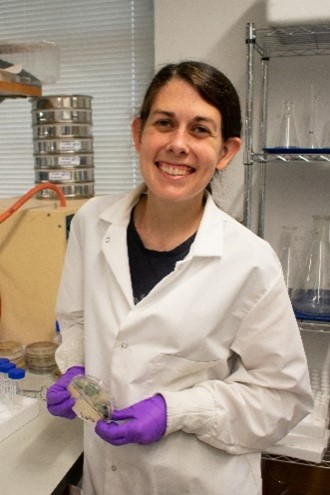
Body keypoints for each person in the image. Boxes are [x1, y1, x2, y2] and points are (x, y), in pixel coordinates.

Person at [47, 61, 313, 495]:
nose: (177, 144)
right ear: (139, 133)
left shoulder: (249, 261)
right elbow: (76, 320)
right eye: (164, 123)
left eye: (200, 130)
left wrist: (176, 410)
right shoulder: (92, 223)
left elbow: (283, 398)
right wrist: (74, 367)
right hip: (106, 479)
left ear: (226, 151)